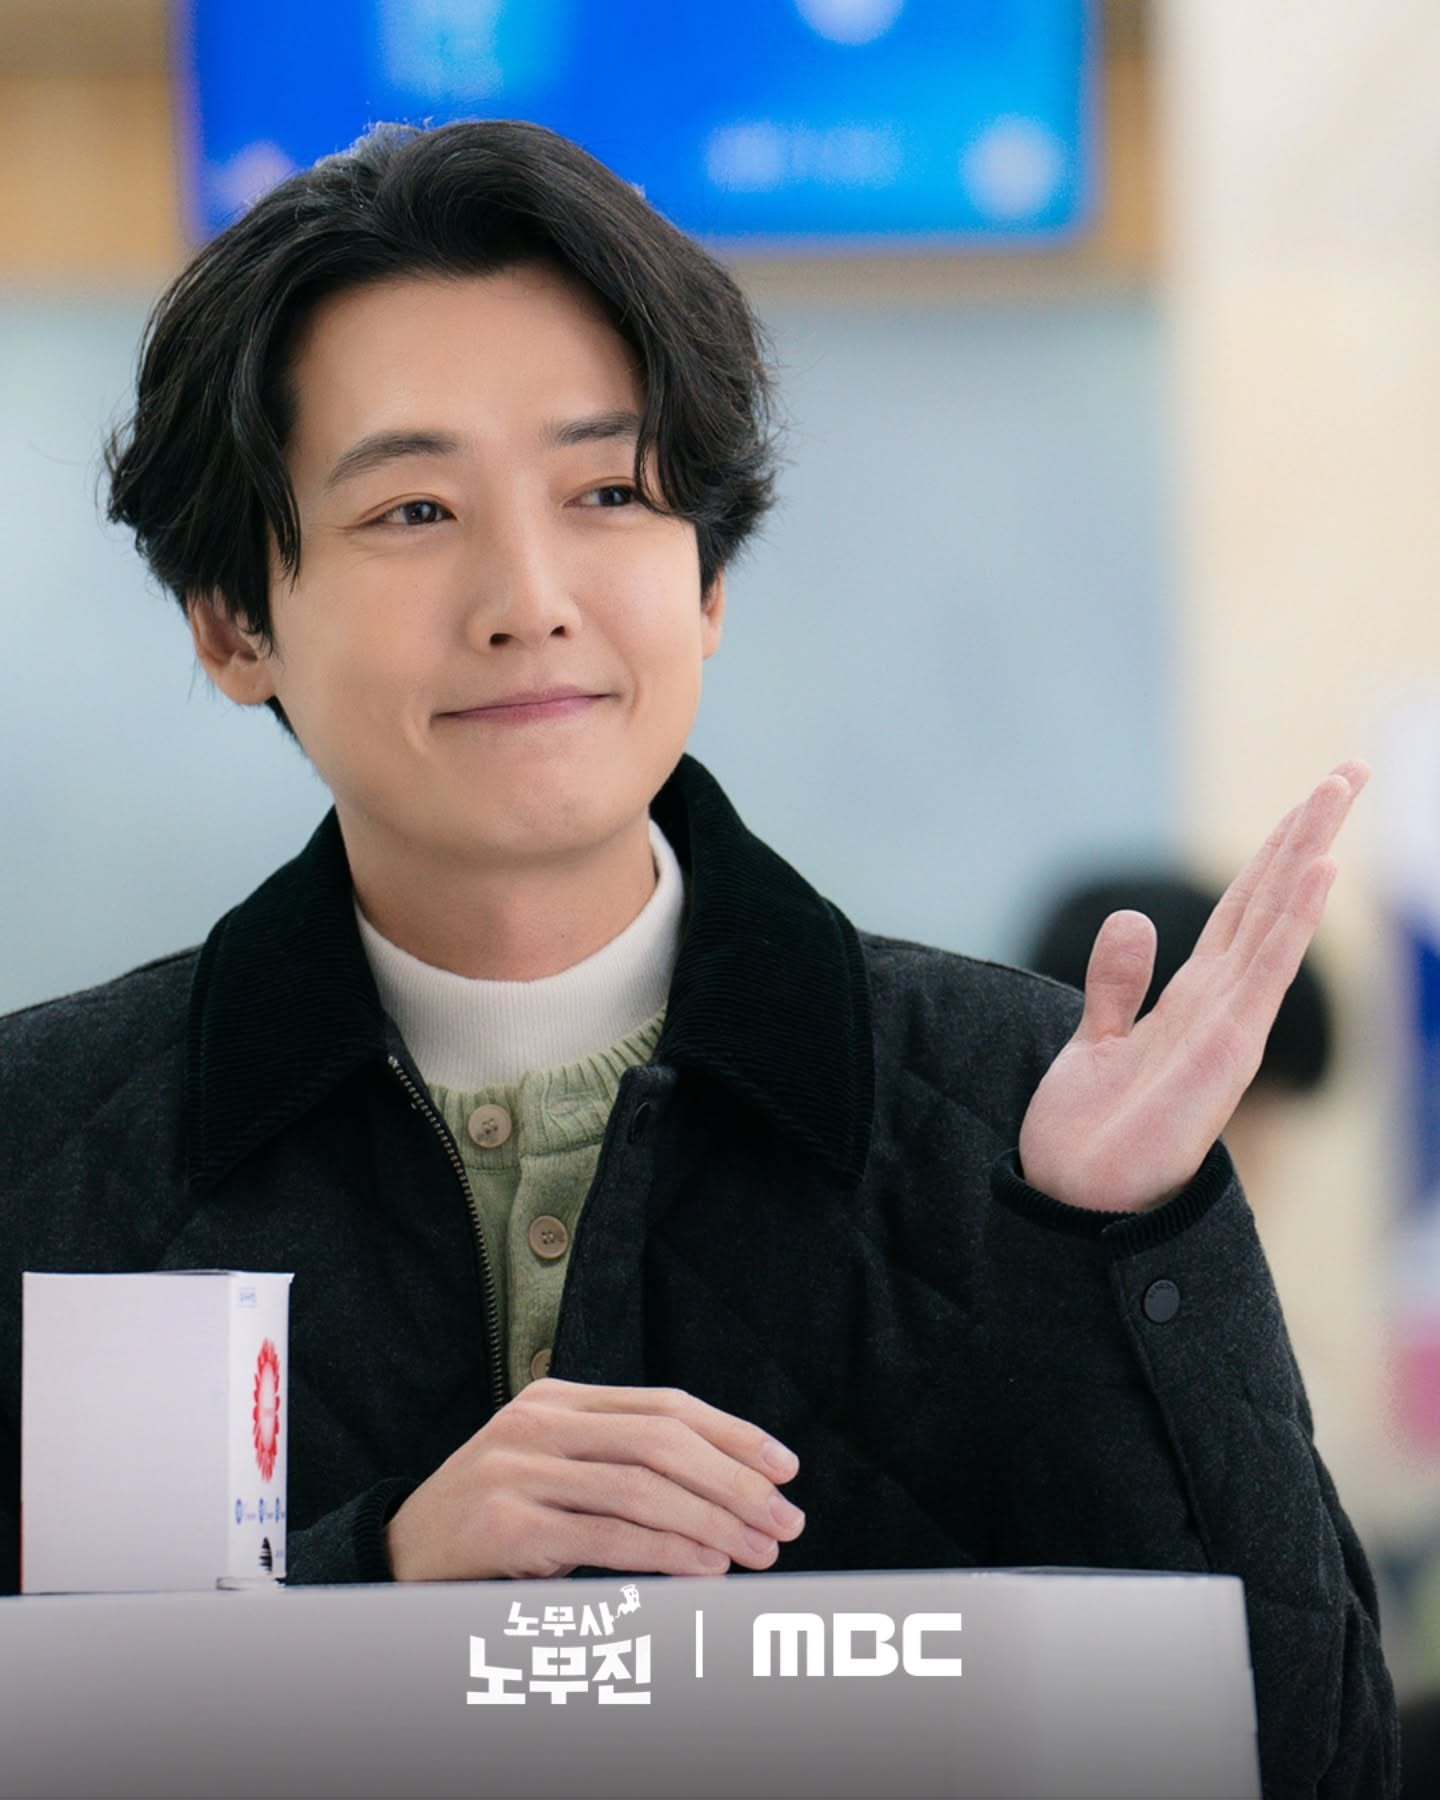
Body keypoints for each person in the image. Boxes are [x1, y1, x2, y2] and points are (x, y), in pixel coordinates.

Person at [0, 118, 1398, 1796]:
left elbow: (1310, 1759)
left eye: (607, 492)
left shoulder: (1018, 1109)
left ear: (709, 582)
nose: (528, 597)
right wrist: (371, 1590)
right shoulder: (45, 1143)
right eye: (414, 507)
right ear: (236, 623)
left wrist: (1132, 1254)